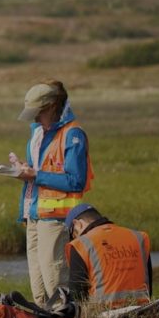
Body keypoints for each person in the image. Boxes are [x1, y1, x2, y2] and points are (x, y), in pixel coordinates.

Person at [15, 79, 94, 306]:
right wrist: (23, 169)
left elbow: (76, 181)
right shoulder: (39, 133)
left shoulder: (73, 134)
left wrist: (35, 175)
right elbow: (39, 170)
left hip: (56, 219)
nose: (34, 118)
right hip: (33, 216)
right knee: (39, 290)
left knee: (56, 285)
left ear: (50, 107)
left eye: (37, 113)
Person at [64, 203, 153, 307]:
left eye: (72, 234)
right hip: (143, 310)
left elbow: (77, 297)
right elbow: (148, 285)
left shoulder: (81, 245)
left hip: (103, 314)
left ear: (78, 224)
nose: (75, 238)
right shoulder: (139, 237)